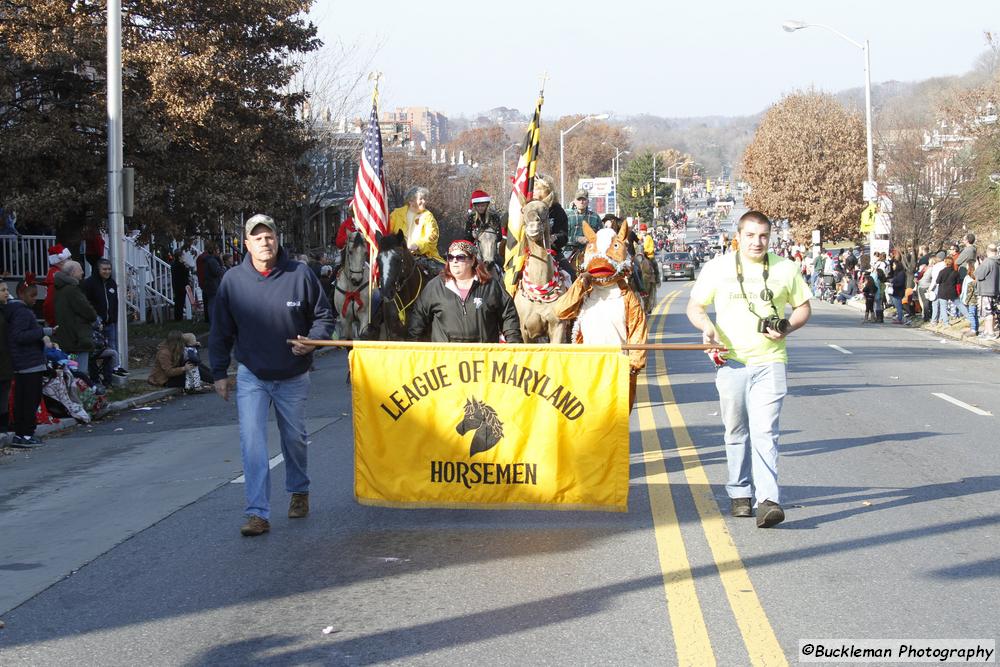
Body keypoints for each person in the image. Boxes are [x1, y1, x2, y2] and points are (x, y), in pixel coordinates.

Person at [209, 214, 335, 537]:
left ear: (277, 240)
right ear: (247, 244)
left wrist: (312, 342)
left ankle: (299, 489)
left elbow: (324, 316)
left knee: (294, 439)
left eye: (270, 236)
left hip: (292, 374)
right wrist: (219, 372)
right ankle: (257, 513)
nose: (265, 242)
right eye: (258, 237)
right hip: (252, 374)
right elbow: (221, 330)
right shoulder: (233, 281)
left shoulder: (300, 274)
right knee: (252, 442)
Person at [686, 210, 811, 528]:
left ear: (770, 238)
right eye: (751, 235)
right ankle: (739, 493)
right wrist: (708, 328)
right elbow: (695, 307)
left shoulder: (785, 269)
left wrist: (786, 327)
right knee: (736, 430)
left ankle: (768, 500)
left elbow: (803, 307)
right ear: (738, 237)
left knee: (766, 431)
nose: (758, 242)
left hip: (770, 362)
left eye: (764, 236)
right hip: (731, 363)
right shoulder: (717, 268)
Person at [406, 240, 522, 343]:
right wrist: (413, 350)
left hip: (483, 360)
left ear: (472, 260)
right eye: (450, 257)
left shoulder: (490, 286)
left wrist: (514, 346)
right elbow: (417, 319)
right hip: (445, 361)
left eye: (460, 257)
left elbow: (508, 315)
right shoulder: (435, 286)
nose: (454, 261)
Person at [6, 277, 54, 447]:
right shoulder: (22, 312)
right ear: (21, 294)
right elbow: (19, 336)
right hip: (29, 362)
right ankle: (26, 434)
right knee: (29, 400)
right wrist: (43, 332)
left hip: (24, 362)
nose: (35, 299)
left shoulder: (15, 311)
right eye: (32, 296)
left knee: (23, 400)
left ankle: (22, 433)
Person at [52, 260, 98, 377]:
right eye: (80, 270)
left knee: (72, 368)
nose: (82, 273)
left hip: (67, 338)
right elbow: (88, 311)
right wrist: (94, 316)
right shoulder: (72, 290)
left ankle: (73, 393)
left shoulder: (59, 289)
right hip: (79, 339)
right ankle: (81, 395)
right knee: (81, 372)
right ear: (72, 273)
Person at [388, 186, 444, 270]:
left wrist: (418, 245)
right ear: (411, 201)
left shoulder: (428, 216)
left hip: (424, 256)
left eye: (424, 199)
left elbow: (433, 236)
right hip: (399, 255)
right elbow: (387, 231)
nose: (424, 201)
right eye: (421, 199)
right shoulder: (396, 214)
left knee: (445, 275)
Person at [565, 188, 602, 258]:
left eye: (584, 199)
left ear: (588, 201)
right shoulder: (566, 215)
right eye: (579, 199)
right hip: (568, 250)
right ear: (574, 201)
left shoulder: (595, 217)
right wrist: (577, 239)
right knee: (560, 267)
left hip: (590, 250)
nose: (581, 202)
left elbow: (601, 236)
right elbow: (560, 236)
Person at [42, 243, 72, 326]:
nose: (71, 260)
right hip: (57, 322)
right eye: (68, 258)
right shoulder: (56, 277)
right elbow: (49, 303)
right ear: (60, 261)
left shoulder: (55, 274)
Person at [974, 244, 999, 339]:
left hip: (986, 290)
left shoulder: (988, 261)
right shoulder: (997, 262)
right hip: (995, 290)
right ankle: (987, 331)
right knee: (992, 312)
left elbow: (979, 275)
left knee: (987, 312)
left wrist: (977, 266)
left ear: (988, 251)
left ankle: (990, 333)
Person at [197, 241, 224, 324]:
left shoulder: (205, 259)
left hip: (207, 284)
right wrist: (221, 265)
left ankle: (211, 320)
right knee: (213, 304)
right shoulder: (211, 260)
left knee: (210, 303)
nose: (219, 252)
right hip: (213, 285)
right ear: (213, 250)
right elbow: (217, 272)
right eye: (217, 250)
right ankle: (213, 322)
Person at [0, 281, 11, 442]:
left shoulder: (7, 310)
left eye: (6, 290)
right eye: (2, 290)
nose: (7, 293)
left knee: (4, 395)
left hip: (6, 360)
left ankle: (3, 427)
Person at [171, 252, 192, 321]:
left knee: (177, 302)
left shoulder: (173, 265)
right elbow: (186, 272)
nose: (184, 257)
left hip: (176, 285)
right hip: (182, 285)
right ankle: (179, 318)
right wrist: (186, 266)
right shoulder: (181, 265)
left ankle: (177, 317)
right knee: (180, 302)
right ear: (179, 257)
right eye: (182, 256)